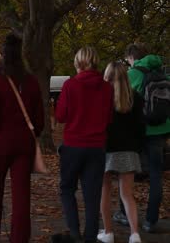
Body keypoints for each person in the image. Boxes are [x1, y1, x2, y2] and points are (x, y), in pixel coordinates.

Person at [0, 35, 44, 243]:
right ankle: (19, 237)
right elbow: (39, 119)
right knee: (22, 196)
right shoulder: (32, 81)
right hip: (24, 144)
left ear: (2, 55)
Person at [55, 46, 113, 243]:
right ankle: (90, 236)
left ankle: (73, 230)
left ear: (78, 62)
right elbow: (109, 118)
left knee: (67, 188)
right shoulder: (107, 88)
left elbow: (61, 116)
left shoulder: (70, 85)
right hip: (96, 147)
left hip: (73, 144)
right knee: (92, 194)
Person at [116, 43, 170, 233]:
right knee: (156, 176)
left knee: (127, 172)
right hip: (161, 131)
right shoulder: (163, 73)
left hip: (138, 132)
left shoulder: (132, 75)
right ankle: (151, 221)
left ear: (131, 57)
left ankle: (123, 213)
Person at [97, 61, 145, 243]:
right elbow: (141, 128)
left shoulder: (102, 98)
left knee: (105, 191)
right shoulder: (137, 97)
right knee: (127, 195)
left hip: (106, 150)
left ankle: (108, 232)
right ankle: (135, 234)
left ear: (107, 77)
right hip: (129, 151)